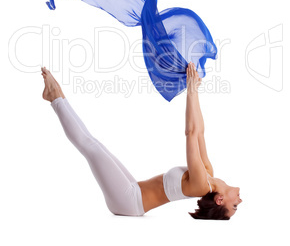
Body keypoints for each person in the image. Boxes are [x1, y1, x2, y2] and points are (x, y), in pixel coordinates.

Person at [41, 62, 242, 220]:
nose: (239, 200)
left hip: (129, 203)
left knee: (90, 146)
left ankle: (55, 97)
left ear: (219, 200)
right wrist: (194, 88)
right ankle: (56, 97)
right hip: (133, 189)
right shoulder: (208, 174)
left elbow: (190, 132)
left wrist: (190, 89)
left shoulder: (201, 186)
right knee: (95, 145)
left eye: (234, 205)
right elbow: (199, 133)